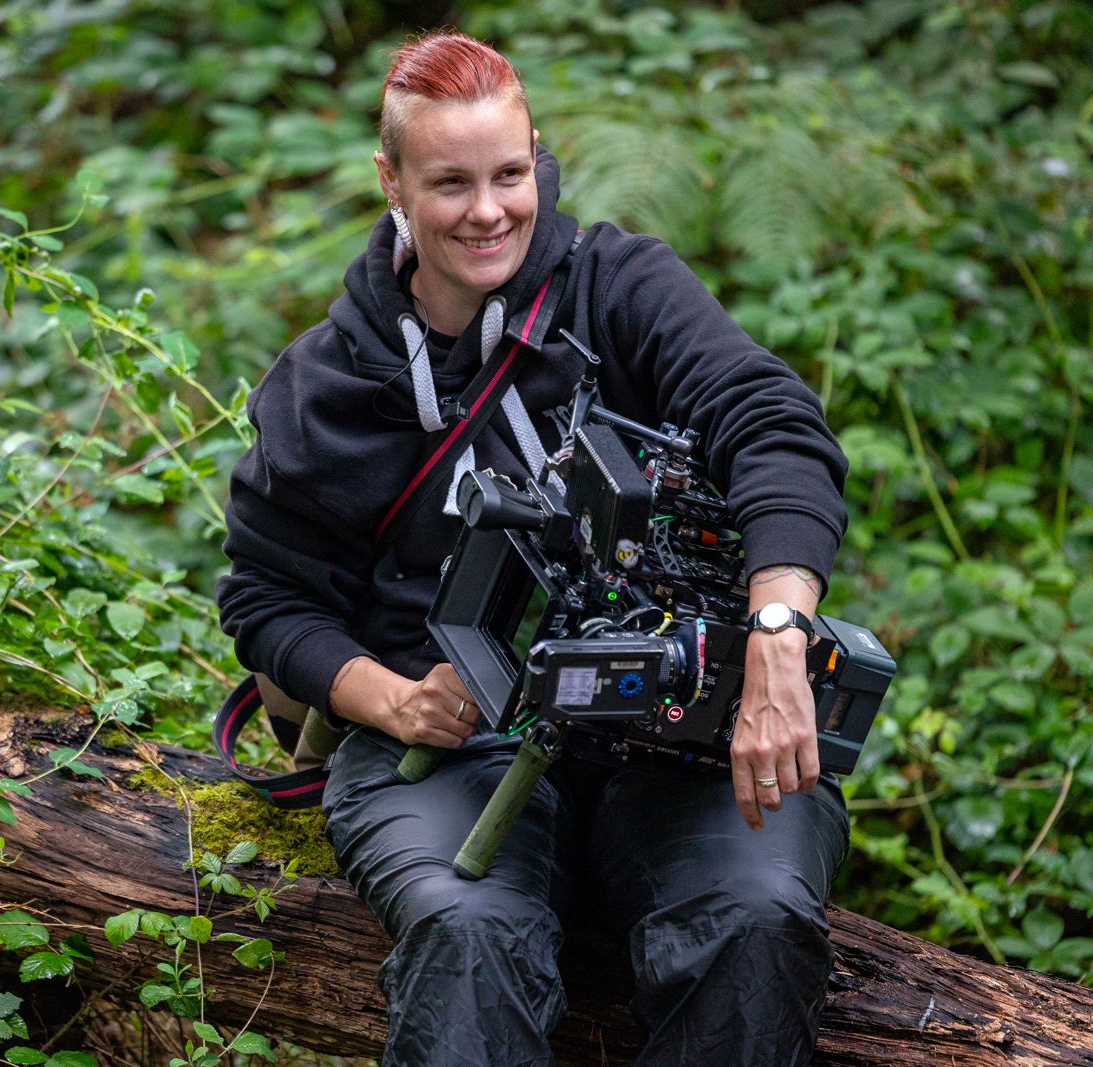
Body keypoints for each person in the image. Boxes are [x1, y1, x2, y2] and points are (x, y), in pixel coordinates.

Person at [217, 30, 850, 1067]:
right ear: (390, 181)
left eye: (510, 174)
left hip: (676, 726)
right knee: (469, 931)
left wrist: (779, 624)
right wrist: (391, 697)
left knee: (757, 918)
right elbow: (267, 600)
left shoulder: (622, 288)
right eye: (450, 182)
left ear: (537, 159)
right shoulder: (324, 387)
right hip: (453, 746)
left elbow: (771, 424)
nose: (489, 211)